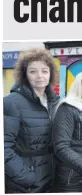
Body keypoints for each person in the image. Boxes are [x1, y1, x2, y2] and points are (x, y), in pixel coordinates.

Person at [4, 49, 59, 193]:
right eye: (33, 71)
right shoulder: (11, 102)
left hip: (52, 177)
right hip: (26, 184)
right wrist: (26, 177)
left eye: (45, 71)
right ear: (25, 75)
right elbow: (3, 147)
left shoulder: (57, 102)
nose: (40, 76)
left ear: (50, 74)